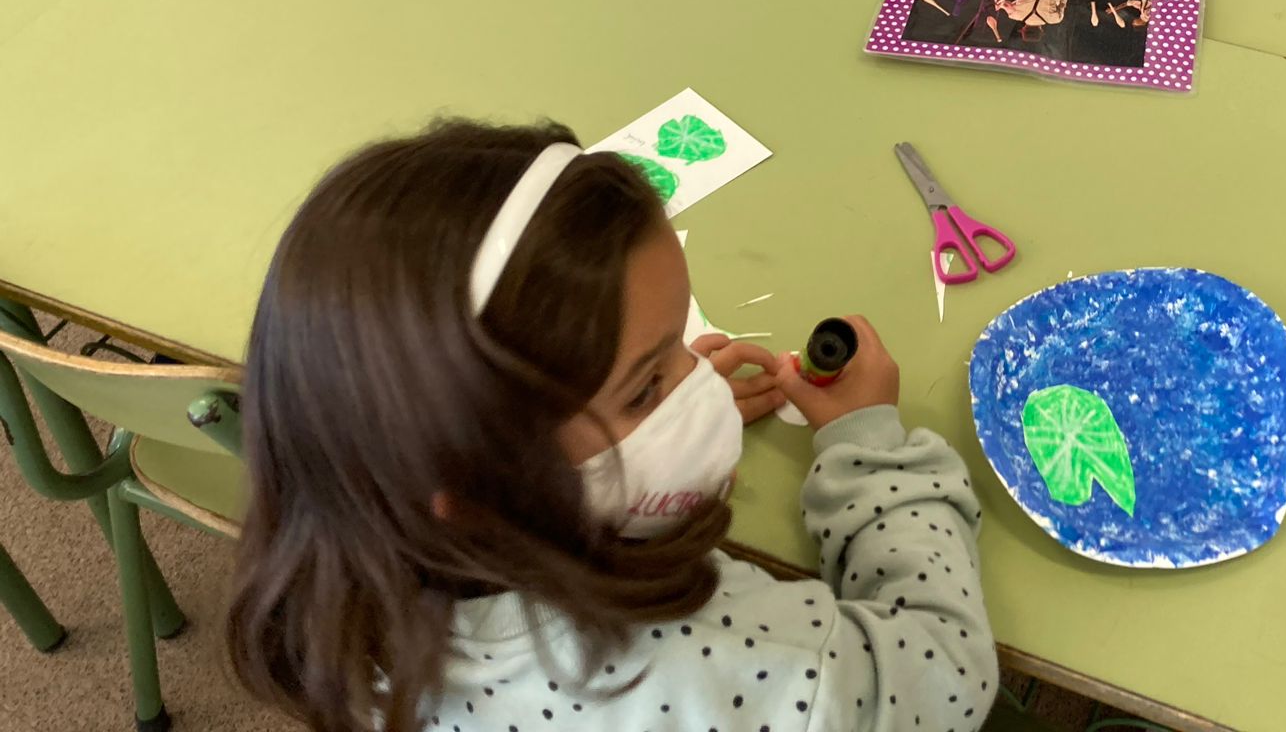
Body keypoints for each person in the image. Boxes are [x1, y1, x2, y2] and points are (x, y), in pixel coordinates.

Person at [227, 120, 996, 732]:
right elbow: (945, 673)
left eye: (675, 347)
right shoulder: (727, 654)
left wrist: (651, 419)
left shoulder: (346, 591)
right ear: (480, 488)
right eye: (647, 387)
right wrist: (870, 449)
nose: (700, 380)